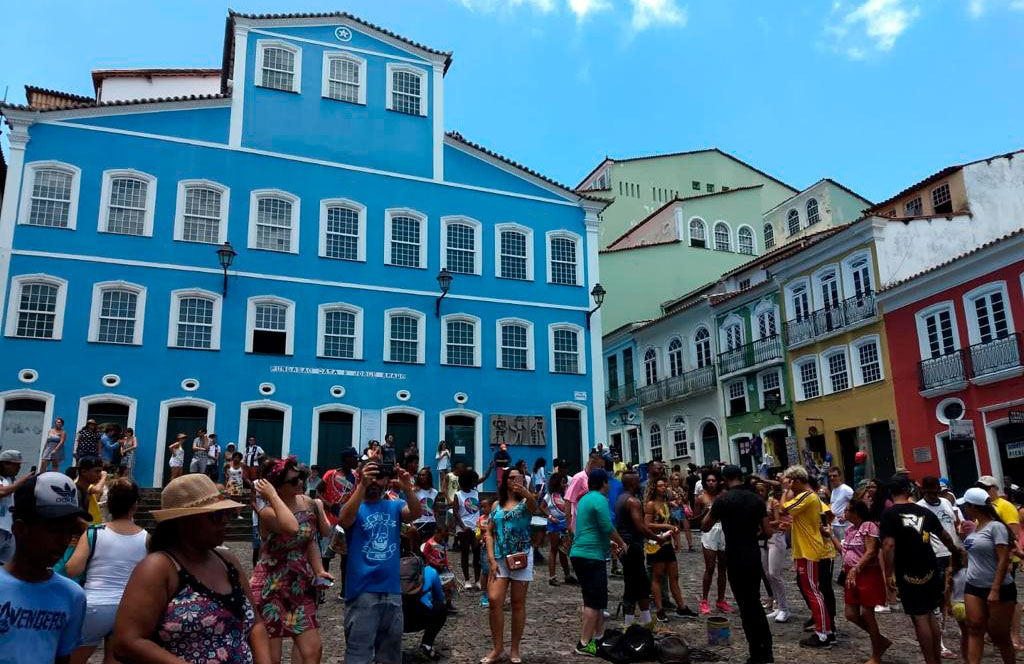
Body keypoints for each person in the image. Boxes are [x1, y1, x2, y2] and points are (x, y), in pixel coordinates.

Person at [111, 473, 269, 663]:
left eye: (226, 513)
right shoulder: (159, 568)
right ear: (184, 521)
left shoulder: (228, 561)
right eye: (216, 515)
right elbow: (127, 641)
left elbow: (256, 623)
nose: (226, 520)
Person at [250, 457, 332, 664]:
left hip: (300, 585)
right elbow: (292, 527)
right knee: (272, 658)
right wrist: (271, 496)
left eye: (300, 478)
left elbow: (309, 539)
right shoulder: (268, 512)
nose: (300, 483)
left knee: (312, 651)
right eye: (294, 481)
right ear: (277, 487)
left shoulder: (307, 503)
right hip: (271, 587)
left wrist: (319, 570)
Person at [337, 460, 421, 664]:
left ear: (386, 480)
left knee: (390, 656)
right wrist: (361, 486)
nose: (375, 481)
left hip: (392, 592)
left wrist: (407, 487)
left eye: (379, 476)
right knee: (359, 656)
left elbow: (416, 513)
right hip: (362, 593)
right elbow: (344, 520)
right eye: (370, 475)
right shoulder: (355, 506)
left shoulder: (394, 506)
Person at [0, 472, 88, 664]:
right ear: (20, 529)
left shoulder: (72, 595)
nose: (64, 539)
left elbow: (62, 657)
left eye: (69, 530)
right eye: (54, 529)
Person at [879, 475, 964, 664]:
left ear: (891, 492)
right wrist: (954, 551)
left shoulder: (890, 515)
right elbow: (944, 536)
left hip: (908, 569)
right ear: (908, 491)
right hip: (930, 566)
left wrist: (888, 574)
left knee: (919, 618)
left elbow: (888, 545)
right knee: (931, 613)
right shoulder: (923, 511)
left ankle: (930, 660)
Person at [65, 479, 148, 664]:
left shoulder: (94, 532)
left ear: (109, 505)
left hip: (95, 606)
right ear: (135, 505)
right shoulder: (146, 538)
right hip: (128, 609)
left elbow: (72, 569)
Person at [703, 465, 774, 664]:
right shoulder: (756, 499)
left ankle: (756, 652)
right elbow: (767, 532)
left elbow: (705, 526)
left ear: (725, 480)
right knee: (755, 603)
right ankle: (766, 650)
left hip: (734, 556)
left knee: (745, 606)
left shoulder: (723, 500)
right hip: (752, 555)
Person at [483, 465, 540, 664]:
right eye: (511, 477)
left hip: (521, 557)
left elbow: (534, 508)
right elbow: (489, 532)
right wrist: (490, 559)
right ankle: (497, 647)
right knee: (494, 599)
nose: (515, 480)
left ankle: (515, 648)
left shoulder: (526, 503)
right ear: (505, 481)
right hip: (499, 558)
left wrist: (527, 493)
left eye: (519, 477)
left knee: (517, 603)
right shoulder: (496, 506)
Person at [568, 468, 626, 656]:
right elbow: (606, 526)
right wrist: (622, 543)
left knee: (596, 599)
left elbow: (588, 528)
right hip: (591, 556)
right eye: (608, 482)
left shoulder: (584, 499)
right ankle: (584, 643)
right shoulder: (600, 499)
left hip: (580, 552)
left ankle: (600, 638)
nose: (609, 485)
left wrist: (607, 543)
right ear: (603, 483)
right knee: (594, 602)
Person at [958, 487, 1015, 664]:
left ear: (972, 506)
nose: (963, 510)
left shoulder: (996, 527)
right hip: (974, 585)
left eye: (965, 506)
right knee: (974, 628)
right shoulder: (974, 529)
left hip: (997, 587)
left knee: (999, 635)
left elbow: (1003, 559)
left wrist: (995, 589)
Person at [781, 465, 832, 648]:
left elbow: (783, 509)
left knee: (813, 591)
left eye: (791, 482)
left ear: (797, 481)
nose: (789, 485)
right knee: (812, 590)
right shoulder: (808, 497)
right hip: (805, 549)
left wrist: (784, 490)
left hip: (808, 550)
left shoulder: (806, 496)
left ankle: (823, 633)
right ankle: (824, 629)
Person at [616, 470, 670, 629]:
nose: (640, 483)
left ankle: (646, 621)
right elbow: (641, 527)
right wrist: (657, 538)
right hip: (633, 546)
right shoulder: (633, 501)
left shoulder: (620, 499)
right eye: (638, 481)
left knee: (641, 584)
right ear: (632, 483)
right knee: (632, 585)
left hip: (626, 546)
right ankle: (628, 624)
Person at [840, 498, 890, 664]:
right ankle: (879, 640)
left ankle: (876, 654)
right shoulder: (850, 530)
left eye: (847, 510)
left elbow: (871, 551)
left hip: (866, 573)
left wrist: (856, 568)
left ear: (855, 513)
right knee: (851, 613)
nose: (844, 512)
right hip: (851, 573)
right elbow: (844, 550)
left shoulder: (868, 526)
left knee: (867, 613)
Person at [645, 477, 697, 620]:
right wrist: (666, 527)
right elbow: (647, 525)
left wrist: (676, 538)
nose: (663, 488)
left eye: (664, 485)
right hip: (656, 545)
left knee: (674, 576)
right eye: (660, 486)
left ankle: (682, 606)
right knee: (657, 576)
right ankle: (660, 609)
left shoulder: (666, 504)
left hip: (667, 544)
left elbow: (671, 521)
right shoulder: (651, 504)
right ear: (655, 488)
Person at [401, 538, 448, 660]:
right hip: (420, 618)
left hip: (395, 619)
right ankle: (427, 644)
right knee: (441, 607)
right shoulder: (430, 571)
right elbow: (441, 597)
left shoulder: (390, 570)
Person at [697, 467, 730, 615]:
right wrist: (707, 512)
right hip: (709, 531)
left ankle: (721, 599)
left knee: (723, 568)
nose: (711, 483)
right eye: (708, 481)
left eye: (713, 480)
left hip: (723, 529)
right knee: (710, 567)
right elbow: (696, 518)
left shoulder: (724, 495)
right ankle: (704, 600)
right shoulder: (701, 497)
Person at [0, 450, 33, 564]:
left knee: (7, 566)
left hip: (9, 530)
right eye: (16, 465)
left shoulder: (10, 480)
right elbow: (2, 492)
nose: (19, 468)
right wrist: (22, 480)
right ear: (4, 463)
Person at [544, 472, 576, 585]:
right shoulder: (550, 496)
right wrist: (550, 517)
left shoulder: (566, 495)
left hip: (564, 525)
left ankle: (567, 575)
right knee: (554, 549)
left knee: (564, 551)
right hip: (554, 526)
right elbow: (542, 506)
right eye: (563, 482)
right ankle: (552, 577)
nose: (565, 484)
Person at [455, 469, 483, 589]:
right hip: (464, 529)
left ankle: (477, 580)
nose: (475, 483)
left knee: (477, 553)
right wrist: (462, 526)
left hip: (476, 527)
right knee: (465, 553)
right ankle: (467, 580)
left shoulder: (475, 493)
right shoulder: (458, 495)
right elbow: (455, 513)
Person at [412, 467, 440, 552]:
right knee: (417, 548)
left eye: (423, 475)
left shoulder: (434, 492)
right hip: (418, 522)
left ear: (429, 477)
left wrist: (438, 524)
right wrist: (411, 524)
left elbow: (435, 509)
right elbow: (410, 507)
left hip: (431, 522)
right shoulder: (415, 491)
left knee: (430, 548)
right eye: (419, 475)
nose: (421, 477)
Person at [74, 456, 105, 525]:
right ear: (83, 472)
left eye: (100, 471)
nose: (100, 475)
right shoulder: (75, 491)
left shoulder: (86, 488)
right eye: (97, 471)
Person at [827, 467, 853, 542]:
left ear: (840, 476)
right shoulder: (834, 490)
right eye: (830, 476)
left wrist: (846, 515)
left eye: (834, 476)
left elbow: (855, 503)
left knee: (845, 546)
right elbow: (833, 504)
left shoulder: (846, 489)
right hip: (835, 523)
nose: (832, 478)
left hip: (844, 525)